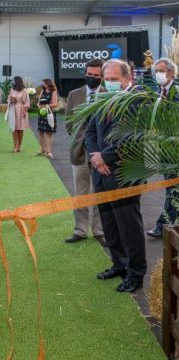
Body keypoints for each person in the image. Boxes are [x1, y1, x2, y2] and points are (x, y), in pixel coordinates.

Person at [85, 59, 146, 293]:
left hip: (123, 174)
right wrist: (94, 157)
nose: (108, 83)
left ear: (127, 78)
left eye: (113, 79)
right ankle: (119, 264)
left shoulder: (136, 101)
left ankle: (136, 273)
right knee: (110, 225)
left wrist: (105, 157)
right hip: (101, 173)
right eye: (106, 79)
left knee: (129, 227)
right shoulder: (101, 99)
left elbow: (131, 137)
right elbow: (90, 132)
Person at [64, 58, 106, 245]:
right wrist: (82, 139)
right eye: (89, 75)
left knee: (100, 194)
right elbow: (68, 122)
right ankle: (80, 230)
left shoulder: (109, 94)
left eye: (95, 76)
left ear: (102, 76)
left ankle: (99, 230)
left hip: (103, 155)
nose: (91, 78)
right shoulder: (74, 94)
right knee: (80, 194)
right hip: (79, 153)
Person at [147, 58, 179, 239]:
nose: (158, 74)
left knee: (173, 190)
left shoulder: (177, 92)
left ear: (171, 73)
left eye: (161, 70)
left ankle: (163, 225)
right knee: (173, 190)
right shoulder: (158, 93)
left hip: (175, 151)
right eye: (156, 71)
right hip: (164, 150)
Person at [37, 79, 58, 159]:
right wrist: (39, 105)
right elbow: (38, 102)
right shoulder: (43, 91)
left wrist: (45, 106)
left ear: (48, 83)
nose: (42, 84)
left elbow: (55, 104)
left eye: (44, 83)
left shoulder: (54, 92)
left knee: (49, 133)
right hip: (41, 114)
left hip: (50, 114)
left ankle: (48, 152)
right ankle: (42, 149)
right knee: (41, 132)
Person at [7, 76, 30, 152]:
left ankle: (19, 146)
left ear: (18, 82)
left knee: (20, 129)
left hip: (21, 110)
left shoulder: (25, 91)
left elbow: (27, 103)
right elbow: (8, 100)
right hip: (13, 110)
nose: (13, 82)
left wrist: (24, 111)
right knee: (14, 128)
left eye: (14, 81)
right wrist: (11, 100)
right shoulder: (12, 90)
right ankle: (15, 146)